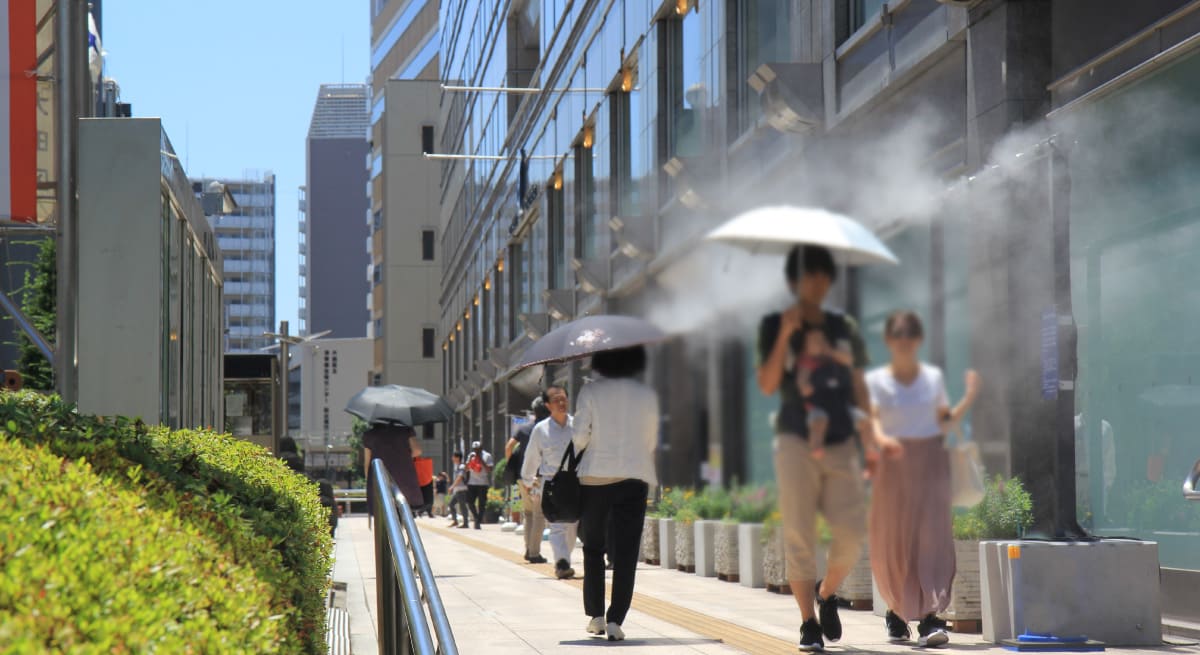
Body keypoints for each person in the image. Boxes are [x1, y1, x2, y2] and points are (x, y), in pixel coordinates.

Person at [757, 245, 879, 652]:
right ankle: (808, 622)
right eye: (809, 276)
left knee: (852, 533)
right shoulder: (774, 324)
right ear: (794, 281)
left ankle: (827, 592)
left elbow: (859, 384)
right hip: (795, 439)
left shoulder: (843, 327)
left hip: (841, 440)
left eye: (823, 276)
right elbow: (768, 384)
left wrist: (872, 439)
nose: (817, 284)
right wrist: (786, 335)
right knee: (798, 533)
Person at [866, 310, 980, 648]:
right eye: (898, 335)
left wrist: (969, 397)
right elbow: (874, 422)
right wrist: (883, 440)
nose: (904, 341)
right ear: (889, 340)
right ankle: (896, 612)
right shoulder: (878, 381)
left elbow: (944, 422)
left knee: (933, 540)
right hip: (894, 467)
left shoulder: (931, 379)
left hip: (931, 463)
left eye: (910, 335)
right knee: (897, 544)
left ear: (918, 340)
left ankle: (931, 618)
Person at [572, 345, 659, 642]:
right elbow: (651, 439)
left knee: (593, 546)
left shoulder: (590, 391)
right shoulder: (646, 395)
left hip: (595, 476)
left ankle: (596, 616)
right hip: (634, 475)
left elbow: (579, 436)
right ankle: (615, 620)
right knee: (626, 552)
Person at [522, 386, 580, 579]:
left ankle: (565, 557)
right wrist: (528, 480)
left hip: (574, 482)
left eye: (563, 399)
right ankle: (562, 562)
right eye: (556, 400)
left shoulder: (578, 425)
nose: (561, 403)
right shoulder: (541, 429)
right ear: (548, 405)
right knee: (556, 524)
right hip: (551, 483)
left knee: (572, 525)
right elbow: (532, 456)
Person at [507, 396, 551, 564]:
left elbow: (509, 446)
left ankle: (528, 549)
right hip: (539, 477)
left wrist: (512, 464)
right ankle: (534, 553)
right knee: (539, 515)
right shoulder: (547, 429)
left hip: (523, 476)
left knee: (528, 513)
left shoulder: (524, 428)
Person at [363, 423, 425, 520]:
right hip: (404, 482)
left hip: (381, 481)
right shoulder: (405, 430)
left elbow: (367, 463)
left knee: (384, 517)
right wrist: (402, 455)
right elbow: (417, 450)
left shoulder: (370, 435)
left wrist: (370, 484)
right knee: (403, 514)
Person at [465, 440, 494, 529]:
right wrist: (469, 460)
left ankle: (478, 521)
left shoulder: (487, 456)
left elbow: (489, 469)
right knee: (470, 502)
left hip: (482, 483)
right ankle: (476, 517)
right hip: (472, 483)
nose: (476, 451)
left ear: (481, 448)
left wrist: (481, 460)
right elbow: (466, 469)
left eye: (478, 449)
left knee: (482, 504)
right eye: (475, 449)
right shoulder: (471, 455)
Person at [447, 452, 471, 529]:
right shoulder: (457, 466)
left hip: (462, 490)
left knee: (462, 506)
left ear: (457, 458)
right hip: (458, 490)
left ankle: (465, 523)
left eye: (453, 457)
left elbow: (460, 477)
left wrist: (452, 487)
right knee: (451, 504)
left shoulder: (461, 466)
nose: (452, 458)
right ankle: (455, 521)